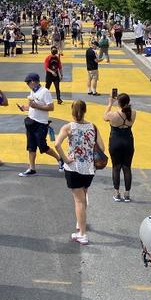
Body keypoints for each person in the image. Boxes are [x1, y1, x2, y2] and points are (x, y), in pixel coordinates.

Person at [53, 100, 104, 245]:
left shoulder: (68, 127)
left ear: (72, 111)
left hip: (74, 167)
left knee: (79, 201)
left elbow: (56, 144)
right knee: (84, 195)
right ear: (85, 110)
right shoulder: (93, 127)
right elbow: (102, 147)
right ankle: (80, 223)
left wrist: (65, 159)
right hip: (89, 168)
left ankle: (82, 234)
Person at [16, 72, 63, 177]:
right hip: (31, 121)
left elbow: (51, 107)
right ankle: (32, 168)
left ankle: (60, 159)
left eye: (28, 82)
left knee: (43, 147)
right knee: (31, 147)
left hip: (40, 124)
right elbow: (33, 106)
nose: (27, 84)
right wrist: (26, 108)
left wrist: (35, 106)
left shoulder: (45, 92)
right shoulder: (33, 91)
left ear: (33, 82)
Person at [104, 93, 136, 202]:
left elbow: (104, 117)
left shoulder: (113, 115)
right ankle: (127, 194)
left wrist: (109, 104)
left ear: (119, 103)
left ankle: (117, 193)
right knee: (127, 168)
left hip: (115, 141)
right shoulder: (133, 113)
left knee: (116, 167)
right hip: (128, 141)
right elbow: (129, 111)